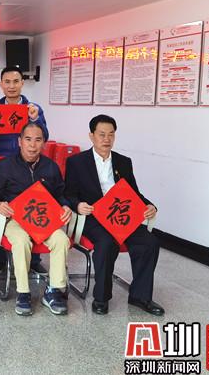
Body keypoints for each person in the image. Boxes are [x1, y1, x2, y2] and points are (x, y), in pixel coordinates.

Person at [65, 114, 163, 316]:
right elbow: (69, 193)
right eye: (101, 134)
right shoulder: (76, 162)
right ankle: (101, 297)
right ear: (91, 136)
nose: (106, 139)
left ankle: (140, 296)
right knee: (106, 243)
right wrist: (78, 205)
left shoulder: (123, 162)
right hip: (93, 217)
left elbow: (134, 193)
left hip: (119, 216)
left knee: (149, 242)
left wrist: (149, 205)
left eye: (111, 134)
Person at [0, 123, 71, 315]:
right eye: (28, 139)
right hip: (15, 220)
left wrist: (65, 205)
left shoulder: (51, 167)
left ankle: (54, 291)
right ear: (19, 141)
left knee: (61, 240)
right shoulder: (5, 166)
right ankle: (23, 292)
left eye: (38, 140)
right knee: (21, 240)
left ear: (44, 143)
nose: (32, 145)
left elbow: (60, 194)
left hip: (43, 219)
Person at [0, 66, 49, 276]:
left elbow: (45, 135)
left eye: (16, 81)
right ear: (1, 84)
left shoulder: (33, 108)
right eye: (7, 82)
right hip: (2, 165)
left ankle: (34, 259)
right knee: (0, 209)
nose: (11, 86)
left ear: (22, 83)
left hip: (30, 164)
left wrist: (34, 119)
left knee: (34, 207)